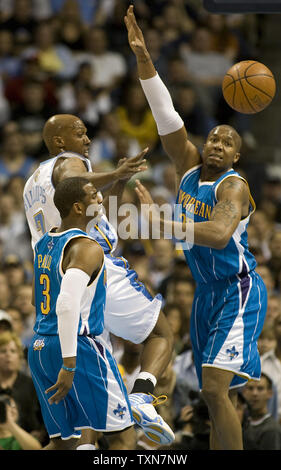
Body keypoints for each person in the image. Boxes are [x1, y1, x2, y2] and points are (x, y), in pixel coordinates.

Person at [125, 5, 267, 450]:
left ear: (236, 157)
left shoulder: (234, 187)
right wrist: (145, 60)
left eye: (228, 143)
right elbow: (165, 113)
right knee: (211, 394)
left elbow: (219, 235)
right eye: (214, 138)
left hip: (236, 287)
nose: (218, 145)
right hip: (206, 293)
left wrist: (162, 221)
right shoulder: (188, 166)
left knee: (212, 389)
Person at [23, 113, 174, 447]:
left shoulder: (31, 181)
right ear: (60, 142)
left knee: (73, 433)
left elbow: (86, 208)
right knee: (161, 333)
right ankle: (142, 399)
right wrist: (116, 173)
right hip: (92, 268)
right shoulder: (70, 162)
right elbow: (71, 185)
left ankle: (91, 442)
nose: (88, 139)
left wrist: (116, 185)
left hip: (52, 272)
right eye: (80, 133)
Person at [242, 373, 281, 450]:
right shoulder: (241, 423)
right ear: (244, 392)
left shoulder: (271, 430)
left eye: (260, 389)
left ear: (270, 393)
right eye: (250, 388)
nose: (254, 393)